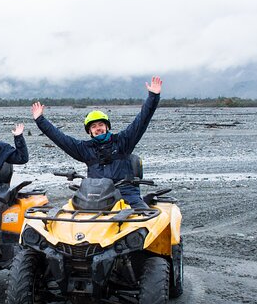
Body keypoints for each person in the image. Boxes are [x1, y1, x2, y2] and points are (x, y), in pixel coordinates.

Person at [31, 76, 163, 209]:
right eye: (93, 126)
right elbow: (60, 139)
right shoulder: (85, 149)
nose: (98, 128)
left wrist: (153, 96)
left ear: (107, 127)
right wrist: (40, 120)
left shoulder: (123, 141)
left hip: (126, 195)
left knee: (144, 220)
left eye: (101, 124)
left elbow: (141, 121)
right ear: (90, 131)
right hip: (96, 197)